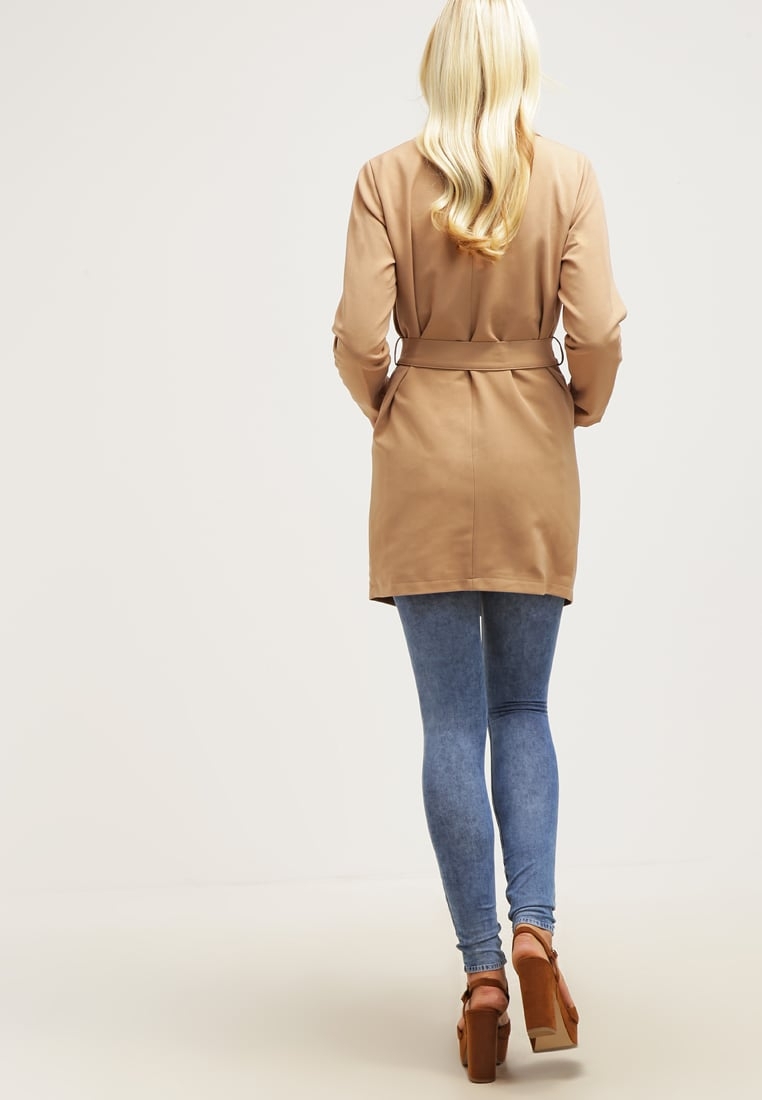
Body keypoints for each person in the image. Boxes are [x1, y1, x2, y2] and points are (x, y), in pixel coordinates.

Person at [331, 0, 626, 1084]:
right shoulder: (569, 175)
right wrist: (579, 403)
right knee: (523, 710)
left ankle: (483, 978)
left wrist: (389, 404)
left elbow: (357, 335)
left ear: (437, 68)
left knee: (451, 720)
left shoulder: (383, 179)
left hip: (420, 451)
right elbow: (597, 330)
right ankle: (536, 928)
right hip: (530, 447)